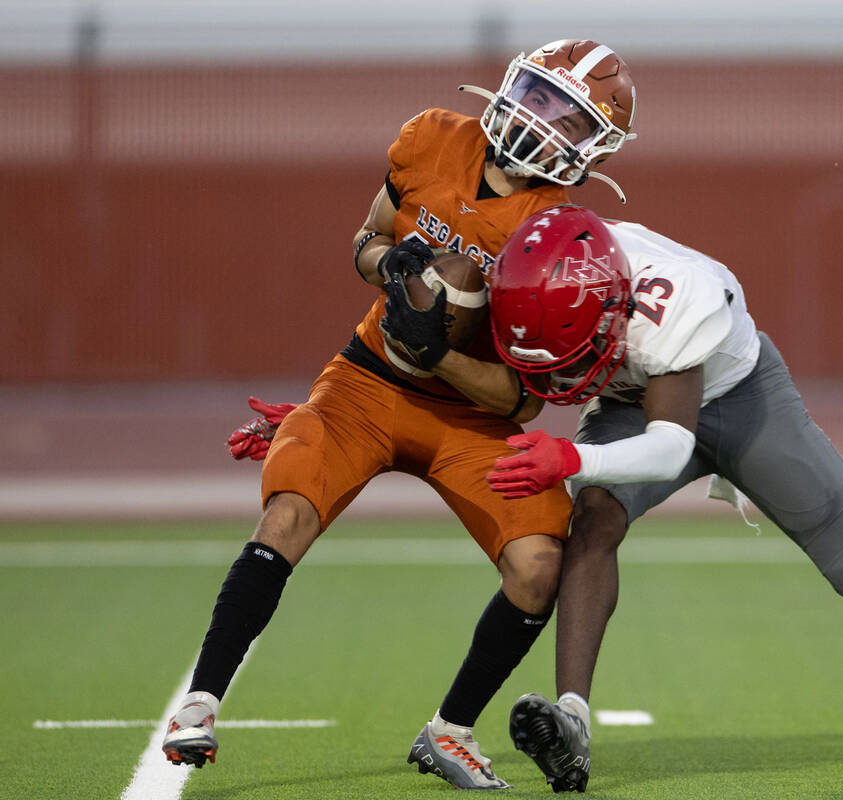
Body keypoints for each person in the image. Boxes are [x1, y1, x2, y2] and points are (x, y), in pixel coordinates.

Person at [381, 205, 843, 791]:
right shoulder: (528, 276)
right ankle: (572, 718)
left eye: (573, 355)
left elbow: (670, 443)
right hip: (638, 397)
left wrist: (574, 453)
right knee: (594, 519)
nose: (559, 376)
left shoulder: (675, 306)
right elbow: (439, 284)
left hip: (739, 400)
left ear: (610, 312)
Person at [161, 41, 637, 791]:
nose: (545, 121)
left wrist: (439, 356)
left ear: (593, 149)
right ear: (512, 85)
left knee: (540, 565)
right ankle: (199, 703)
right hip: (366, 381)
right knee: (286, 514)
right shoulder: (433, 138)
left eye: (569, 119)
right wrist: (389, 268)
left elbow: (523, 399)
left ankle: (450, 732)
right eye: (541, 97)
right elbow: (366, 237)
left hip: (468, 417)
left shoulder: (556, 233)